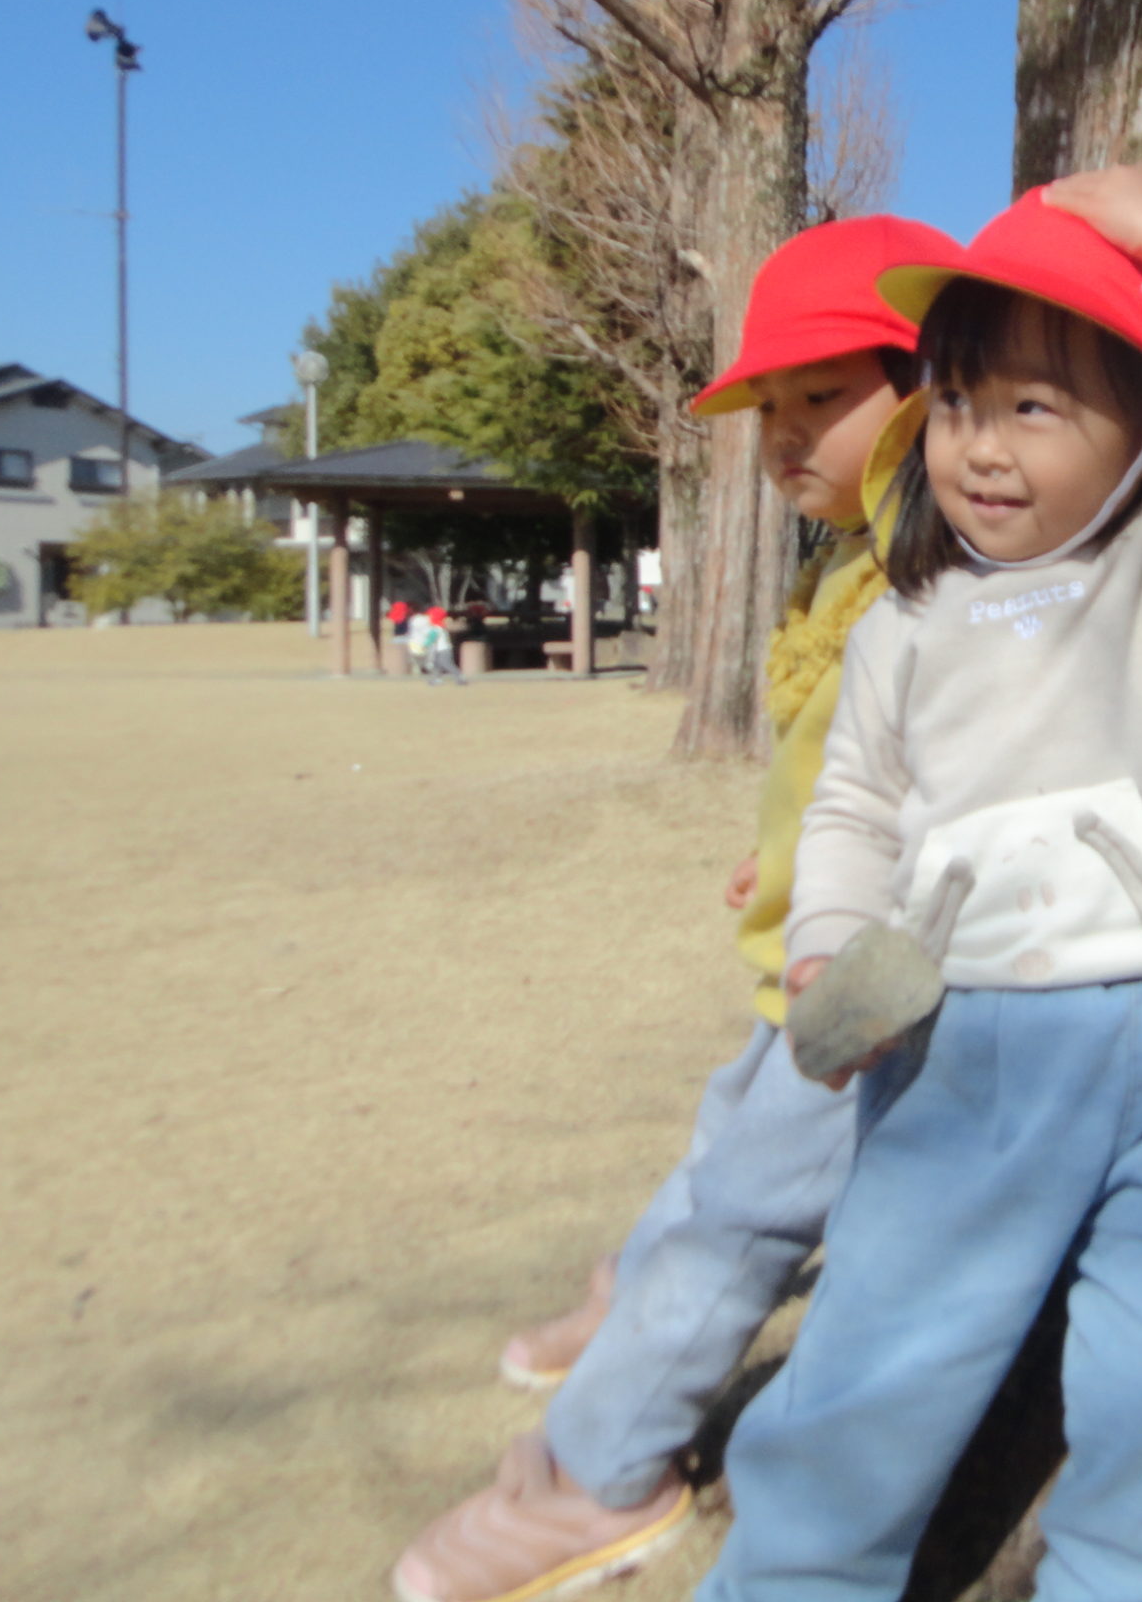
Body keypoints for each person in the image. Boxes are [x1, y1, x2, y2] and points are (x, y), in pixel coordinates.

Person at [691, 178, 1142, 1602]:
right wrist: (828, 942)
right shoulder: (905, 623)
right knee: (886, 1353)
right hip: (974, 1041)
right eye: (961, 403)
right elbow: (853, 807)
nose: (982, 446)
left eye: (1036, 408)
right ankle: (793, 1577)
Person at [389, 214, 954, 1602]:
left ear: (928, 387)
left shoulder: (935, 556)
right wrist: (776, 863)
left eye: (825, 394)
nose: (788, 433)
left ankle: (605, 1470)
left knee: (743, 1217)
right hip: (797, 959)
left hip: (866, 990)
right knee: (716, 1162)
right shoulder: (835, 556)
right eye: (771, 408)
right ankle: (624, 1309)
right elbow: (835, 767)